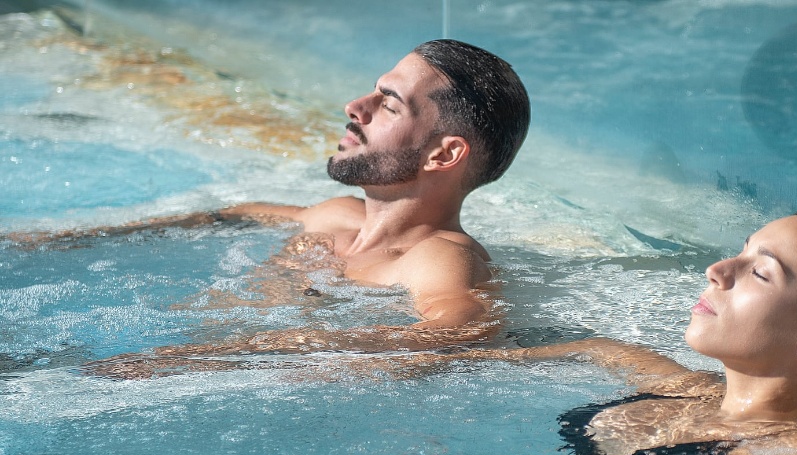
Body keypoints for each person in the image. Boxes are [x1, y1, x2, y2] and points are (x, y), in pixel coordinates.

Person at [87, 183, 797, 455]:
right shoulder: (644, 374)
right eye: (737, 251)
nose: (717, 269)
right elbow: (440, 353)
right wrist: (200, 360)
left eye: (761, 271)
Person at [17, 39, 531, 352]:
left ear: (443, 156)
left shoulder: (437, 257)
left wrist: (206, 360)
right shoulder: (336, 216)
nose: (356, 105)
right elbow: (237, 215)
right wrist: (63, 240)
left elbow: (459, 332)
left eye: (389, 105)